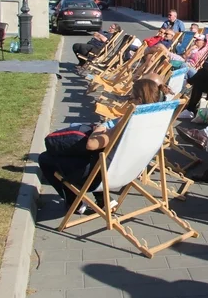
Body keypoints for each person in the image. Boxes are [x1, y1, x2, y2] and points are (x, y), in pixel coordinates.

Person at [38, 78, 164, 214]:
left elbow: (91, 144)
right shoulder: (156, 121)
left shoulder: (129, 122)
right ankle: (104, 199)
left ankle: (75, 203)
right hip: (129, 171)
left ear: (139, 100)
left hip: (105, 176)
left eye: (130, 98)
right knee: (89, 153)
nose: (128, 101)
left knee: (46, 158)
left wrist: (99, 129)